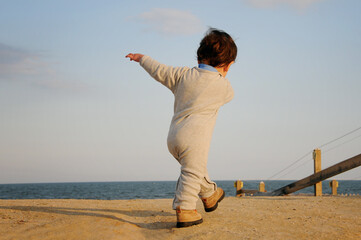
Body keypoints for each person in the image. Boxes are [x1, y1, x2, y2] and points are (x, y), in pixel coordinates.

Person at [125, 28, 237, 228]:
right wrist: (222, 75)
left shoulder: (182, 75)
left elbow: (159, 70)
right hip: (195, 139)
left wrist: (142, 58)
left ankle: (210, 194)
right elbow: (230, 95)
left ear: (199, 57)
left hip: (173, 138)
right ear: (228, 65)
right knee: (191, 172)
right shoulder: (223, 87)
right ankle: (185, 209)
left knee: (194, 169)